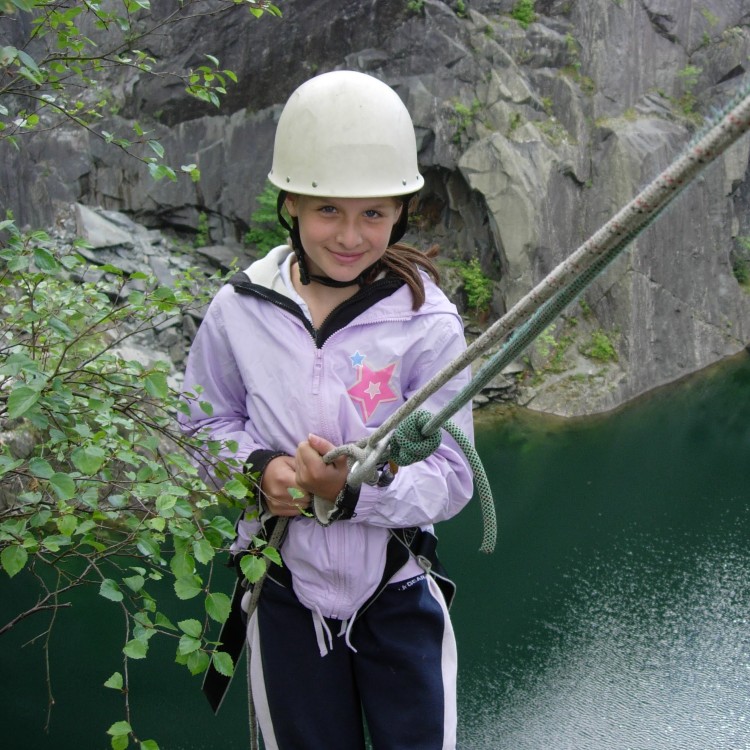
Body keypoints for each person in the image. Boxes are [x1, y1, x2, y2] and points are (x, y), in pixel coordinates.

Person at [179, 70, 475, 750]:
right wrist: (259, 469)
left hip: (396, 590)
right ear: (290, 204)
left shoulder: (427, 322)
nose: (350, 235)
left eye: (373, 213)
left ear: (400, 211)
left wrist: (351, 493)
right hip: (286, 591)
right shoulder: (241, 310)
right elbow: (195, 427)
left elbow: (454, 474)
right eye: (328, 211)